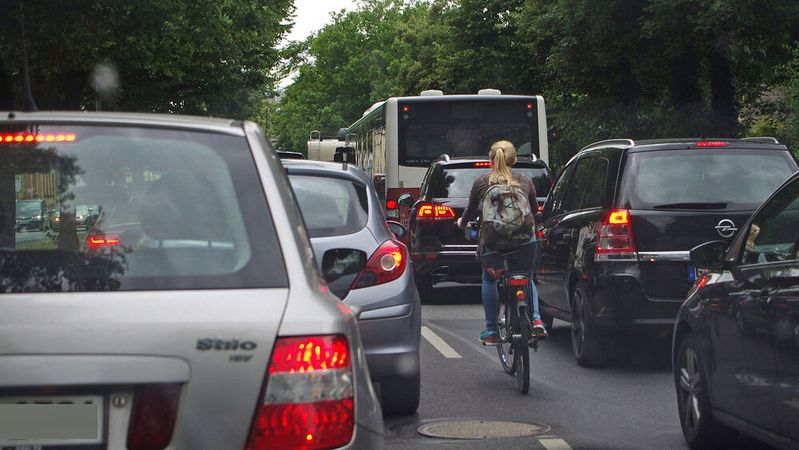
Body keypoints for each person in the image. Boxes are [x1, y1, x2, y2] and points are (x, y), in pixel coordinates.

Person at [456, 140, 547, 345]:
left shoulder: (481, 182)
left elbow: (470, 210)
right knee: (528, 276)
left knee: (489, 279)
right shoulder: (525, 181)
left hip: (493, 243)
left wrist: (462, 223)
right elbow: (534, 212)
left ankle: (491, 330)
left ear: (491, 159)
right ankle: (536, 319)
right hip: (524, 242)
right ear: (514, 160)